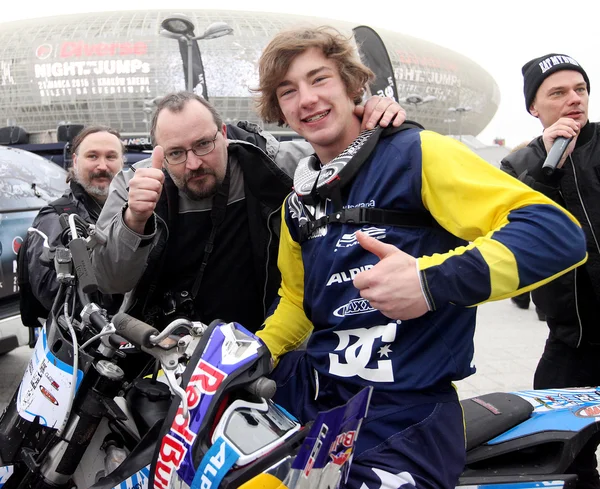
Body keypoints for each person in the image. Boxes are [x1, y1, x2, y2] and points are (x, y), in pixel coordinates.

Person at [253, 28, 587, 489]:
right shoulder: (297, 204)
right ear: (280, 108)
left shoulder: (416, 152)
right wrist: (253, 354)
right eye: (288, 90)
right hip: (317, 395)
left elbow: (556, 235)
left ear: (352, 84)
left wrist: (430, 280)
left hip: (404, 413)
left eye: (319, 79)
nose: (306, 99)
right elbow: (296, 303)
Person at [91, 91, 405, 332]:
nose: (194, 163)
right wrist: (134, 220)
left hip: (266, 345)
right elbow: (109, 281)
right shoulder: (134, 185)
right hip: (166, 353)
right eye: (175, 153)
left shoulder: (271, 167)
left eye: (203, 144)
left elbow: (349, 150)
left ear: (223, 134)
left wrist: (372, 116)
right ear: (156, 152)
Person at [501, 53, 600, 489]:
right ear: (534, 108)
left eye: (580, 89)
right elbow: (516, 233)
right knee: (563, 456)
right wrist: (547, 171)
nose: (573, 99)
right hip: (572, 340)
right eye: (558, 92)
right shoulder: (519, 166)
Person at [26, 125, 125, 315]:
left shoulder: (136, 211)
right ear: (75, 161)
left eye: (111, 157)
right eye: (92, 156)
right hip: (87, 338)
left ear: (122, 162)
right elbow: (53, 293)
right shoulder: (55, 217)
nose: (102, 166)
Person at [507, 141, 546, 321]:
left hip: (525, 226)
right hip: (539, 223)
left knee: (525, 264)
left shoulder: (514, 166)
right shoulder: (539, 163)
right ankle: (541, 309)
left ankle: (521, 298)